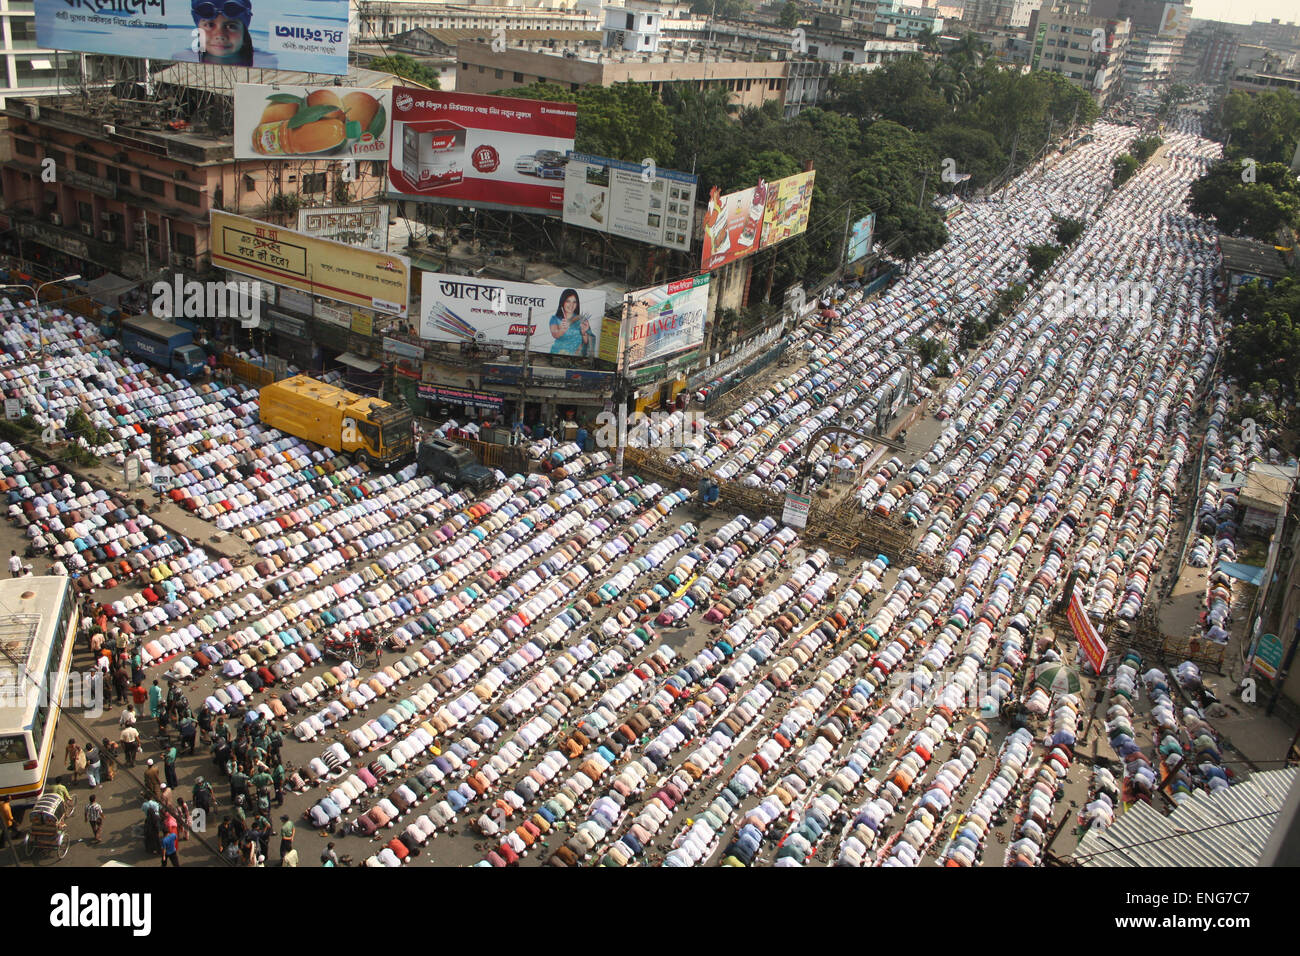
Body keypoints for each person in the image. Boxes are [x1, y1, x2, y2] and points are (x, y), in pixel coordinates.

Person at [181, 0, 276, 68]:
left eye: (231, 26)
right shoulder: (183, 60)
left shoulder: (265, 63)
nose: (220, 35)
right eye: (210, 25)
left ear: (244, 32)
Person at [548, 289, 594, 357]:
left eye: (574, 302)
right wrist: (562, 330)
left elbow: (586, 342)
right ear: (562, 302)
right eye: (568, 301)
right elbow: (555, 335)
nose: (571, 305)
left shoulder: (581, 319)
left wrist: (584, 332)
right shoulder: (555, 319)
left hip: (576, 357)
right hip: (558, 355)